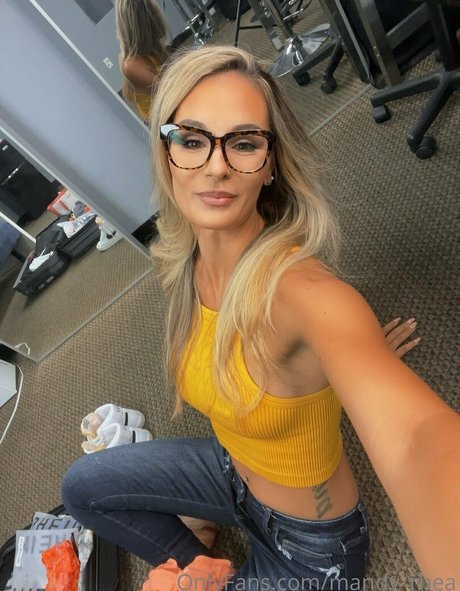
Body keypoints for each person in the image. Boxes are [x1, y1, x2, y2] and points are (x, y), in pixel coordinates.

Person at [61, 46, 459, 588]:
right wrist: (327, 380)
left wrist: (354, 356)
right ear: (166, 152)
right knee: (81, 487)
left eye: (245, 143)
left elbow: (420, 442)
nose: (216, 166)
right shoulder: (187, 257)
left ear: (271, 164)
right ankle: (201, 560)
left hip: (312, 549)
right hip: (233, 474)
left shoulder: (306, 294)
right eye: (192, 140)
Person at [115, 0, 169, 121]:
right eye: (154, 13)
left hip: (174, 112)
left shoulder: (152, 51)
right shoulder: (131, 65)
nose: (158, 15)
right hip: (166, 124)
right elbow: (170, 91)